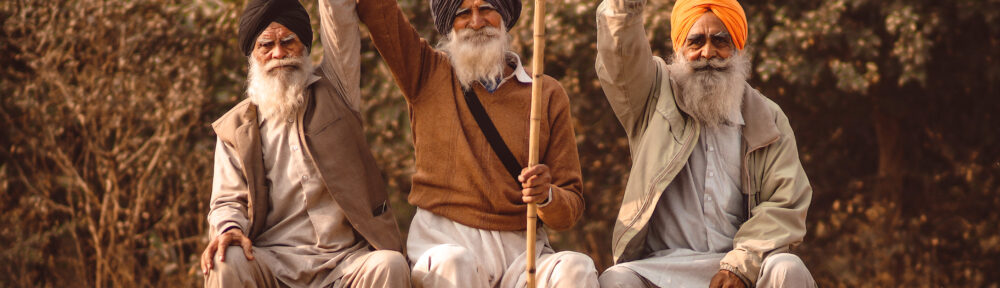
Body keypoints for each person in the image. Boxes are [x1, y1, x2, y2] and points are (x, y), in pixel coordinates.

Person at [340, 0, 601, 286]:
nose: (476, 22)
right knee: (455, 262)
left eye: (486, 8)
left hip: (523, 249)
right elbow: (381, 14)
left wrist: (546, 195)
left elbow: (570, 206)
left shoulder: (546, 92)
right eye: (463, 13)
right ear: (450, 23)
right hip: (444, 241)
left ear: (504, 16)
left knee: (577, 267)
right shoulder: (425, 72)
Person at [595, 0, 817, 287]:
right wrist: (625, 6)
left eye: (720, 41)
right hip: (663, 269)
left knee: (787, 268)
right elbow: (620, 58)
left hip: (743, 265)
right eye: (696, 41)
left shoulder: (768, 118)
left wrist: (741, 264)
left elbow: (785, 203)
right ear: (679, 48)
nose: (708, 53)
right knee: (617, 280)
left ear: (737, 47)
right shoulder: (651, 98)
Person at [199, 0, 410, 286]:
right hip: (273, 266)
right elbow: (226, 200)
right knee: (227, 260)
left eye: (288, 42)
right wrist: (229, 228)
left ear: (304, 46)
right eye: (266, 45)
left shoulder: (337, 90)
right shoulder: (236, 129)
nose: (279, 53)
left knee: (389, 264)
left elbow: (339, 22)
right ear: (252, 54)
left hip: (345, 264)